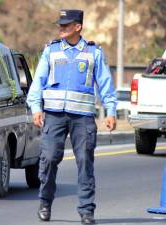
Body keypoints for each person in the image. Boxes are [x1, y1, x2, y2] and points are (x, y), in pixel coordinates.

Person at [26, 9, 117, 225]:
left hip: (83, 118)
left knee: (85, 163)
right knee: (48, 159)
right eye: (60, 25)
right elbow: (37, 82)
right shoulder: (51, 51)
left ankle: (86, 211)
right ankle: (45, 203)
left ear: (78, 27)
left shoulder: (94, 53)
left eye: (66, 25)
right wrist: (36, 108)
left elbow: (105, 85)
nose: (61, 29)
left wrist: (111, 111)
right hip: (54, 117)